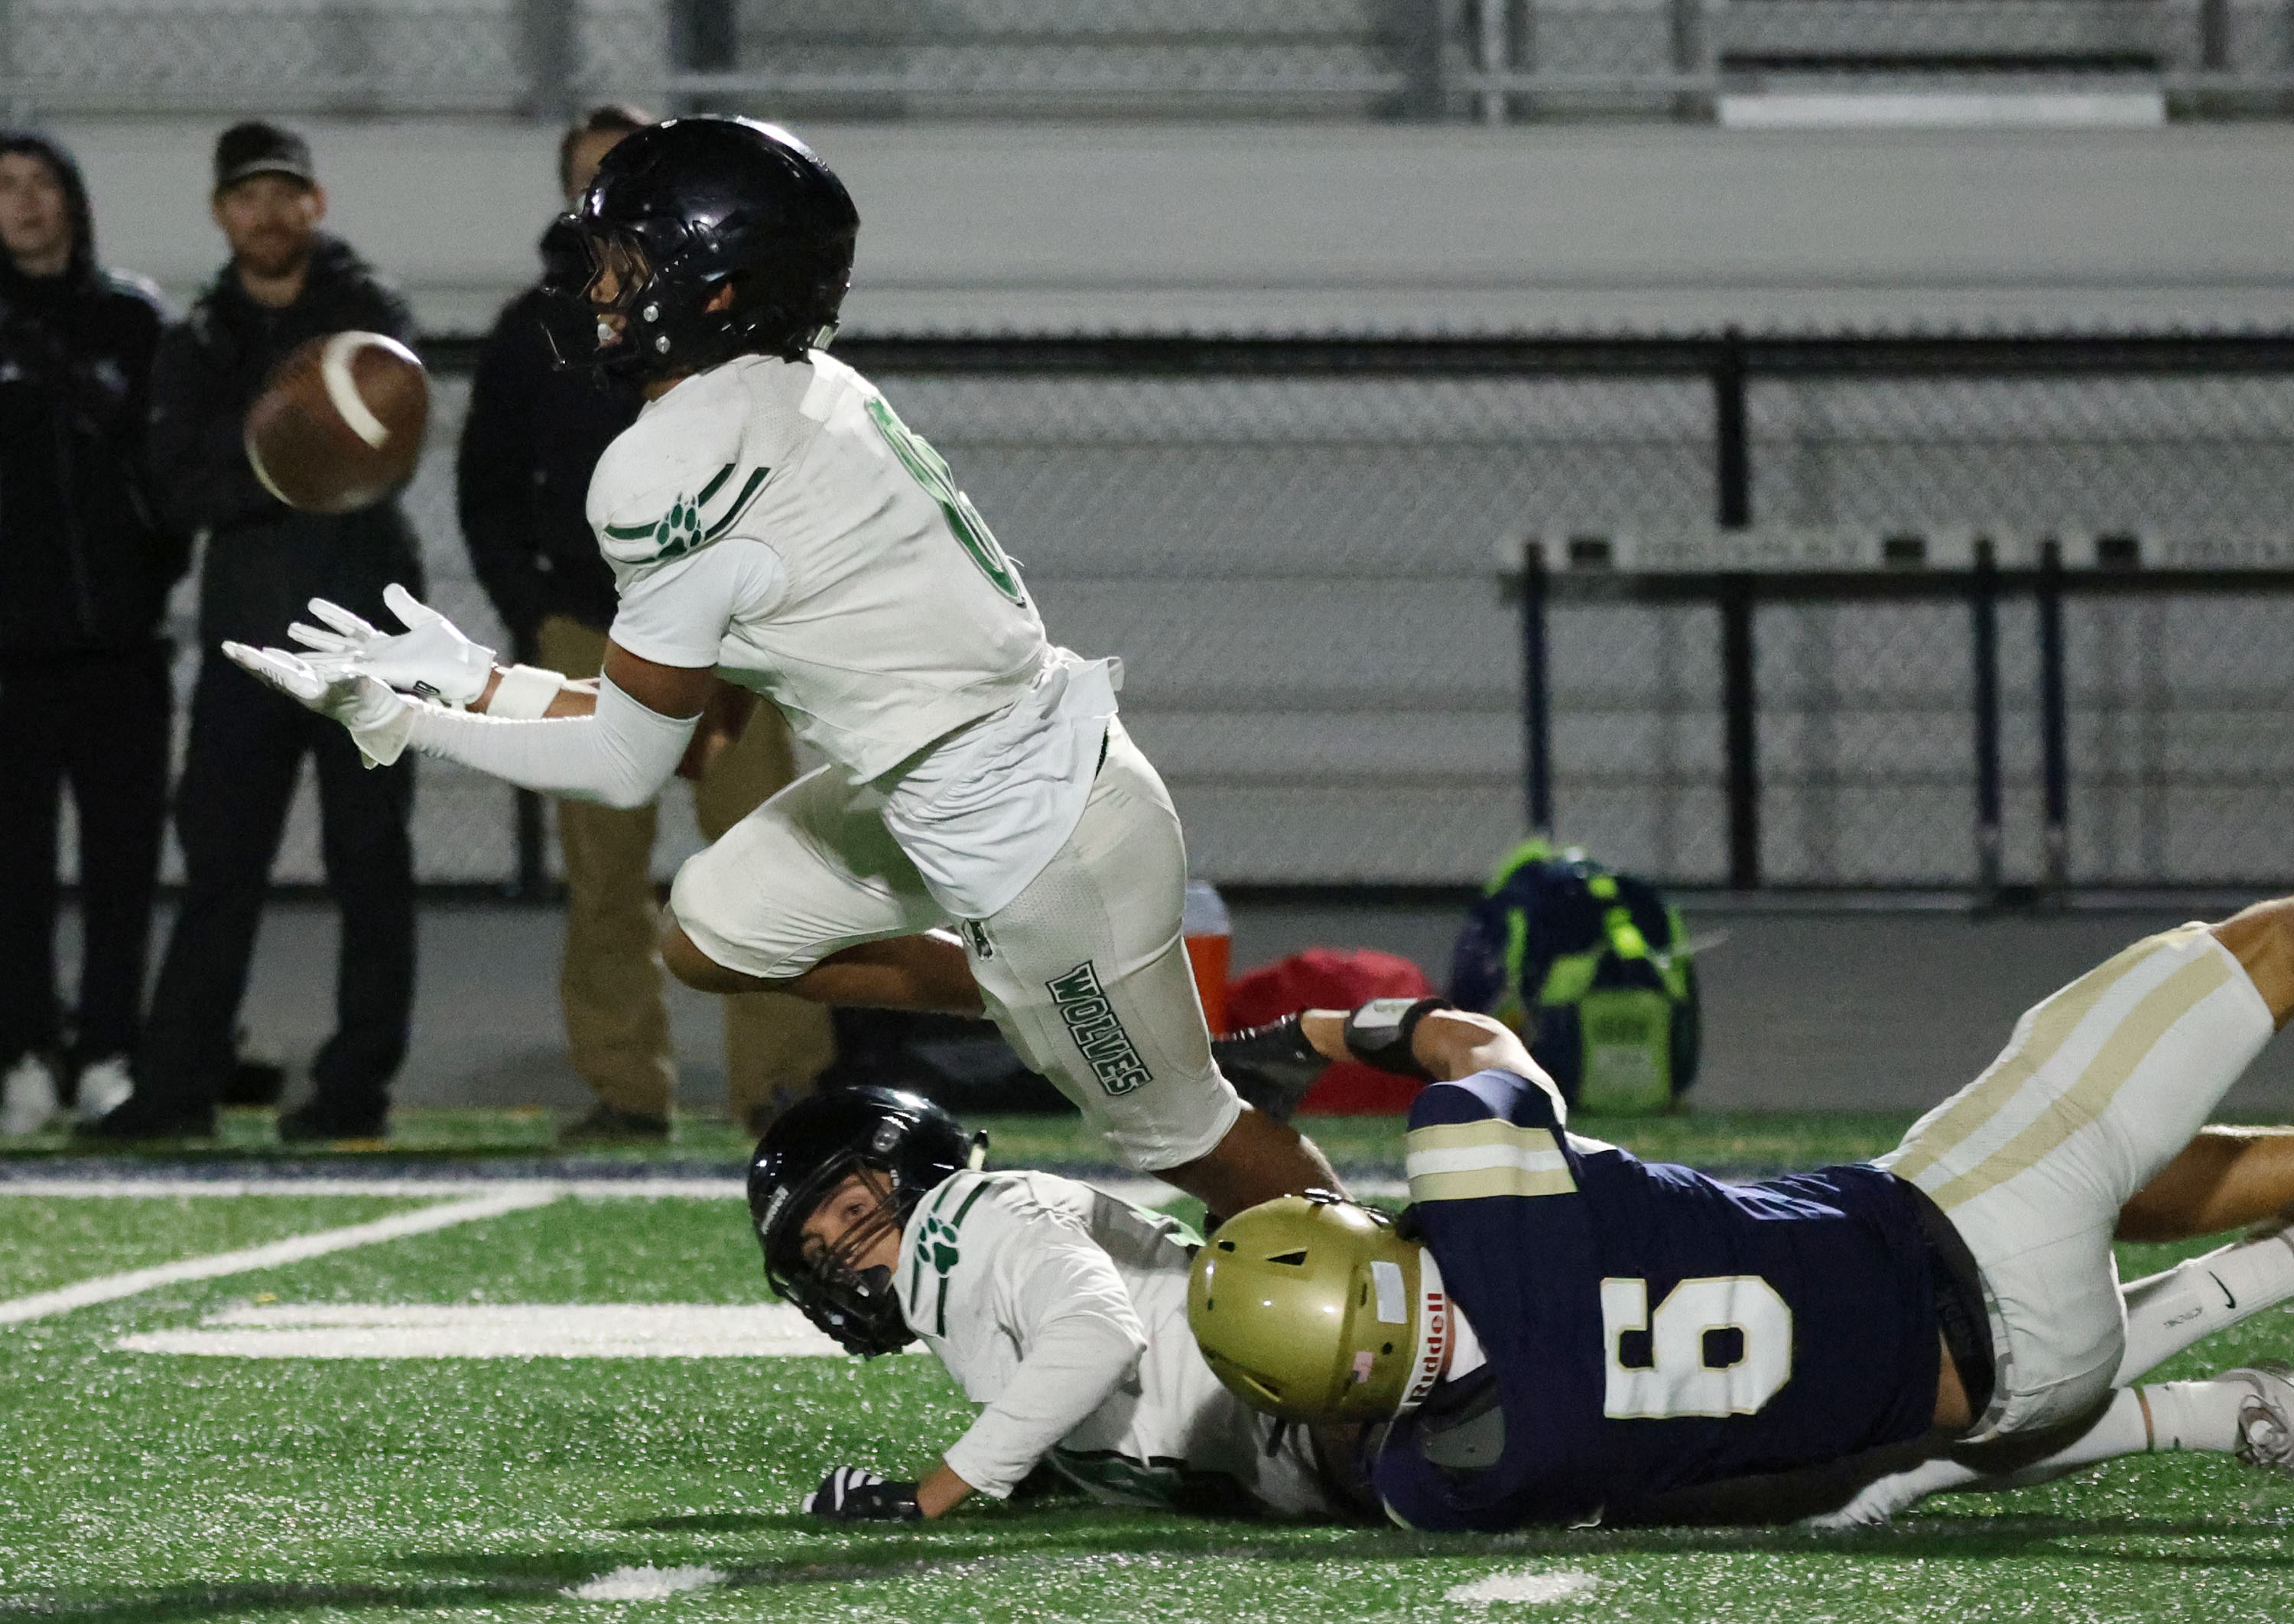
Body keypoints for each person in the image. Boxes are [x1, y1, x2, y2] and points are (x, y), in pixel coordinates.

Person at [221, 116, 1334, 1217]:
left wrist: (405, 722)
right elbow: (677, 723)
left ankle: (1409, 1298)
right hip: (950, 777)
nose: (601, 289)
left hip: (1039, 838)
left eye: (628, 263)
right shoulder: (809, 388)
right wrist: (473, 678)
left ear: (714, 289)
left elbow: (624, 763)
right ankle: (1030, 995)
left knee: (1194, 1144)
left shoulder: (671, 464)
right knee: (715, 929)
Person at [1190, 903, 2294, 1531]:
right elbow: (1469, 1040)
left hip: (2012, 1399)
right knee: (2251, 955)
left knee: (2113, 1176)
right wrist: (1317, 1035)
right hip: (1966, 1226)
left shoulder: (1447, 1482)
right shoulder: (1477, 1181)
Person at [457, 103, 832, 1143]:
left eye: (628, 171)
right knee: (605, 881)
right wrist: (537, 616)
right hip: (593, 630)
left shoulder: (731, 309)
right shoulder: (534, 328)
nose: (609, 195)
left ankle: (781, 1087)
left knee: (771, 853)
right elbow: (487, 486)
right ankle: (626, 1090)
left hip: (731, 638)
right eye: (592, 177)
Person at [84, 122, 421, 1143]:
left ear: (315, 203)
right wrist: (295, 457)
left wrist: (263, 453)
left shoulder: (367, 310)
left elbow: (382, 445)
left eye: (284, 194)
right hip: (248, 639)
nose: (267, 215)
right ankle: (176, 1086)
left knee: (371, 864)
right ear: (220, 212)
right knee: (219, 868)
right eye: (247, 197)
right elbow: (176, 486)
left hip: (368, 634)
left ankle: (355, 1090)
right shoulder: (197, 336)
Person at [749, 1086, 1342, 1523]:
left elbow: (1099, 1338)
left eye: (854, 1210)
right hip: (1304, 1421)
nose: (845, 1253)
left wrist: (926, 1497)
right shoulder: (963, 1275)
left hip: (1324, 1403)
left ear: (913, 1169)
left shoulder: (959, 1220)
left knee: (1393, 1462)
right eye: (818, 1250)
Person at [0, 132, 181, 1135]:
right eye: (5, 188)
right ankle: (25, 1054)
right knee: (14, 873)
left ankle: (109, 1050)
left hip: (119, 649)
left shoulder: (131, 319)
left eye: (42, 184)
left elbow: (169, 469)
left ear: (72, 200)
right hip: (8, 661)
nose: (25, 203)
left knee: (122, 867)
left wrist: (143, 579)